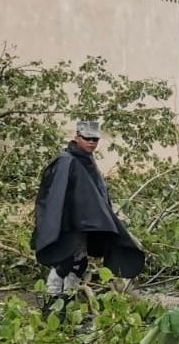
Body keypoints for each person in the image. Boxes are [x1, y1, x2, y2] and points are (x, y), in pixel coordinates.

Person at [31, 120, 144, 294]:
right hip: (68, 224)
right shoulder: (65, 161)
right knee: (65, 261)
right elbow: (55, 197)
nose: (92, 142)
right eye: (87, 138)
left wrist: (107, 213)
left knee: (80, 263)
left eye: (95, 139)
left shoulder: (87, 161)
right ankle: (53, 298)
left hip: (87, 223)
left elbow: (96, 192)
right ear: (77, 137)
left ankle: (70, 297)